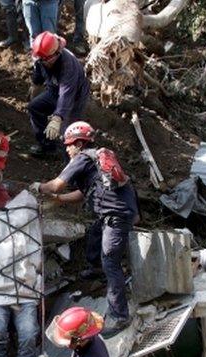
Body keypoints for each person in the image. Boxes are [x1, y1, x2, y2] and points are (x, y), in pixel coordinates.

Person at [31, 122, 138, 335]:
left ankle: (120, 316)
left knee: (111, 262)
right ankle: (95, 268)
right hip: (116, 213)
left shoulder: (82, 158)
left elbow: (56, 184)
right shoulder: (93, 162)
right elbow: (83, 193)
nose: (67, 149)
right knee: (94, 233)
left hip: (115, 216)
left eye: (69, 145)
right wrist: (59, 199)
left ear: (79, 143)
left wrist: (39, 187)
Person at [27, 32, 89, 158]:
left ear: (56, 53)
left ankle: (71, 166)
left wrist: (57, 117)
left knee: (68, 132)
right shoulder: (42, 57)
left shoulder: (68, 64)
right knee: (34, 107)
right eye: (41, 59)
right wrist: (35, 84)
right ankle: (47, 146)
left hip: (74, 97)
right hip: (54, 90)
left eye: (46, 60)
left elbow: (66, 94)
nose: (43, 62)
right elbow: (38, 70)